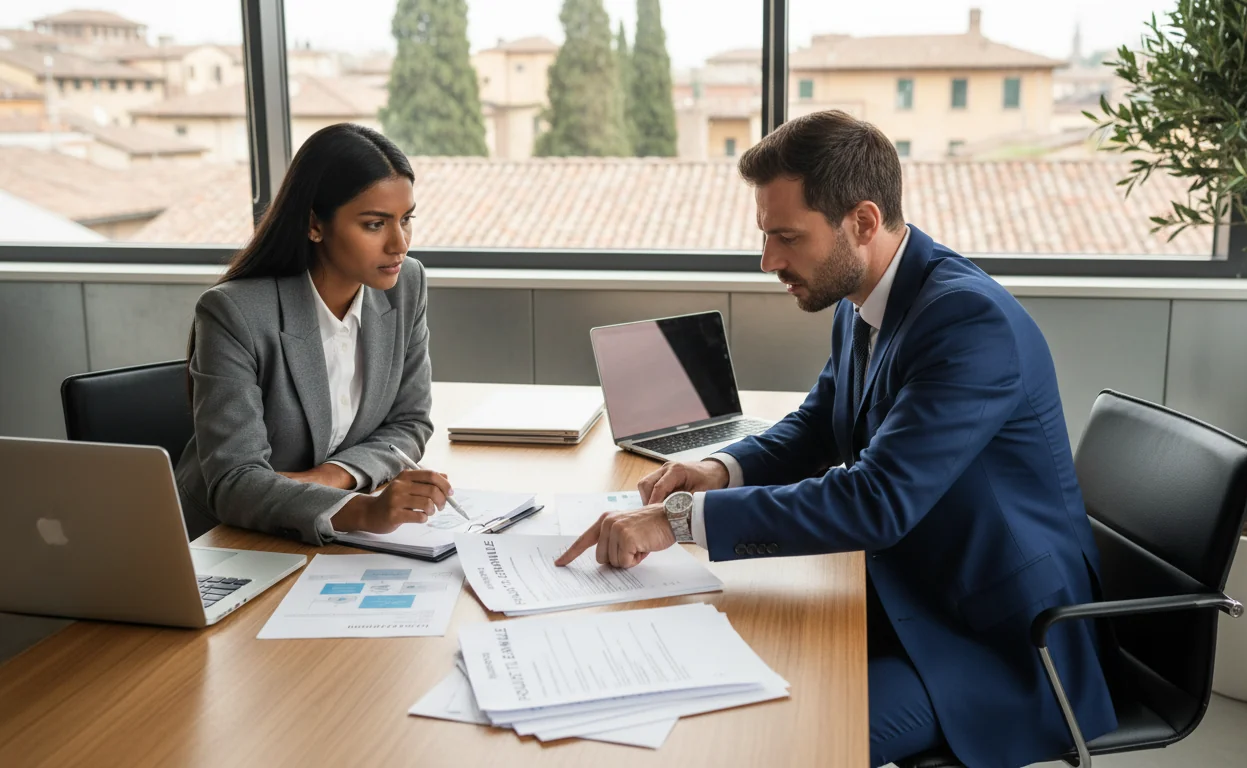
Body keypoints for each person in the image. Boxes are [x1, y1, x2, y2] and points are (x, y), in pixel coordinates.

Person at [555, 110, 1118, 768]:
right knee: (715, 672)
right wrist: (718, 471)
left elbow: (876, 500)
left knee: (785, 745)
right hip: (904, 591)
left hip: (993, 643)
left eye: (787, 238)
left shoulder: (969, 323)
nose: (769, 261)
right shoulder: (870, 297)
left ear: (864, 222)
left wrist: (680, 520)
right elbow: (820, 424)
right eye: (766, 237)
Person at [175, 123, 452, 546]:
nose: (400, 244)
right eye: (375, 224)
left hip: (325, 541)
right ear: (314, 225)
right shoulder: (234, 313)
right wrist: (363, 510)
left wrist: (331, 478)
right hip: (230, 541)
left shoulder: (406, 284)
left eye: (406, 219)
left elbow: (408, 422)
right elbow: (234, 481)